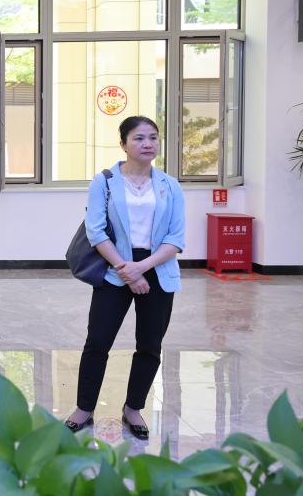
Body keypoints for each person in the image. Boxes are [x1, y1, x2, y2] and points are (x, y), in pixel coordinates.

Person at [65, 116, 186, 440]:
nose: (148, 144)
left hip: (157, 270)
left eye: (153, 137)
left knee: (150, 345)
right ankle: (84, 408)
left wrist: (142, 268)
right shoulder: (104, 182)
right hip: (114, 269)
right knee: (97, 342)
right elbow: (95, 231)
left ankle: (133, 408)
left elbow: (176, 238)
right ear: (123, 144)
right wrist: (127, 270)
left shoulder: (170, 185)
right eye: (139, 138)